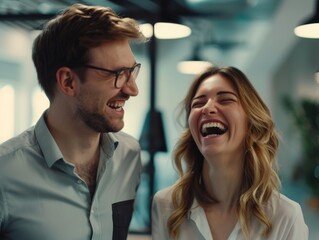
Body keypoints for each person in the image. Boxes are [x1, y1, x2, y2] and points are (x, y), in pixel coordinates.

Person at [0, 3, 146, 240]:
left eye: (132, 72)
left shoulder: (130, 155)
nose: (132, 89)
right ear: (68, 81)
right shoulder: (5, 174)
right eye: (117, 75)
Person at [152, 66, 309, 240]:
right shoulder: (166, 205)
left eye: (225, 100)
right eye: (198, 103)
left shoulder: (285, 216)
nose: (208, 108)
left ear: (251, 122)